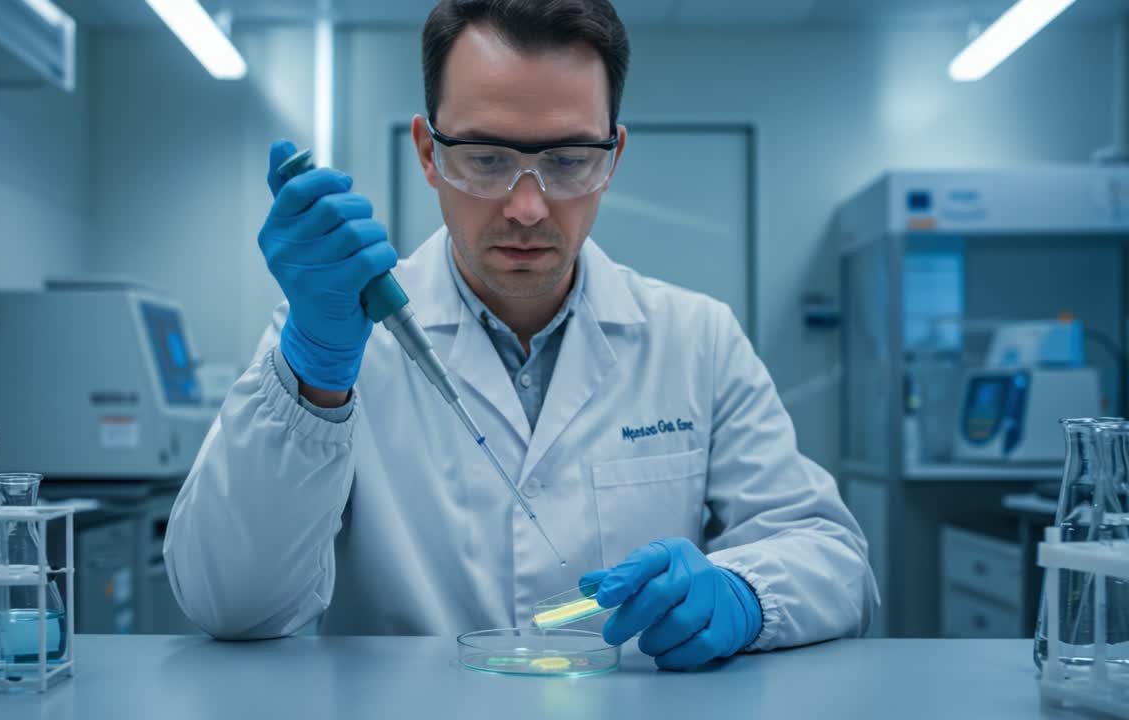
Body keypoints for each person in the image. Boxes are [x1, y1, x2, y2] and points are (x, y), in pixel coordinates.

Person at [164, 0, 879, 671]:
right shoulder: (334, 339)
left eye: (567, 161)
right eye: (486, 158)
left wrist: (744, 593)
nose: (528, 207)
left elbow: (835, 560)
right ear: (428, 152)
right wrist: (315, 377)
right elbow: (230, 603)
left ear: (612, 157)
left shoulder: (697, 339)